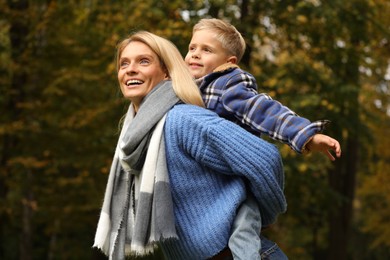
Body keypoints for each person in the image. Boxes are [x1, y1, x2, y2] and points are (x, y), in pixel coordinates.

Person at [93, 31, 287, 260]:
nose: (130, 69)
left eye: (143, 61)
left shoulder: (181, 120)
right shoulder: (135, 139)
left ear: (166, 72)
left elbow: (266, 157)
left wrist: (262, 215)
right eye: (124, 63)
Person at [184, 18, 342, 259]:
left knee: (243, 233)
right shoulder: (186, 89)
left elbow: (266, 112)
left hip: (239, 184)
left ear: (229, 62)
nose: (195, 54)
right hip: (209, 186)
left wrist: (308, 136)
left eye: (206, 50)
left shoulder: (228, 83)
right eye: (192, 48)